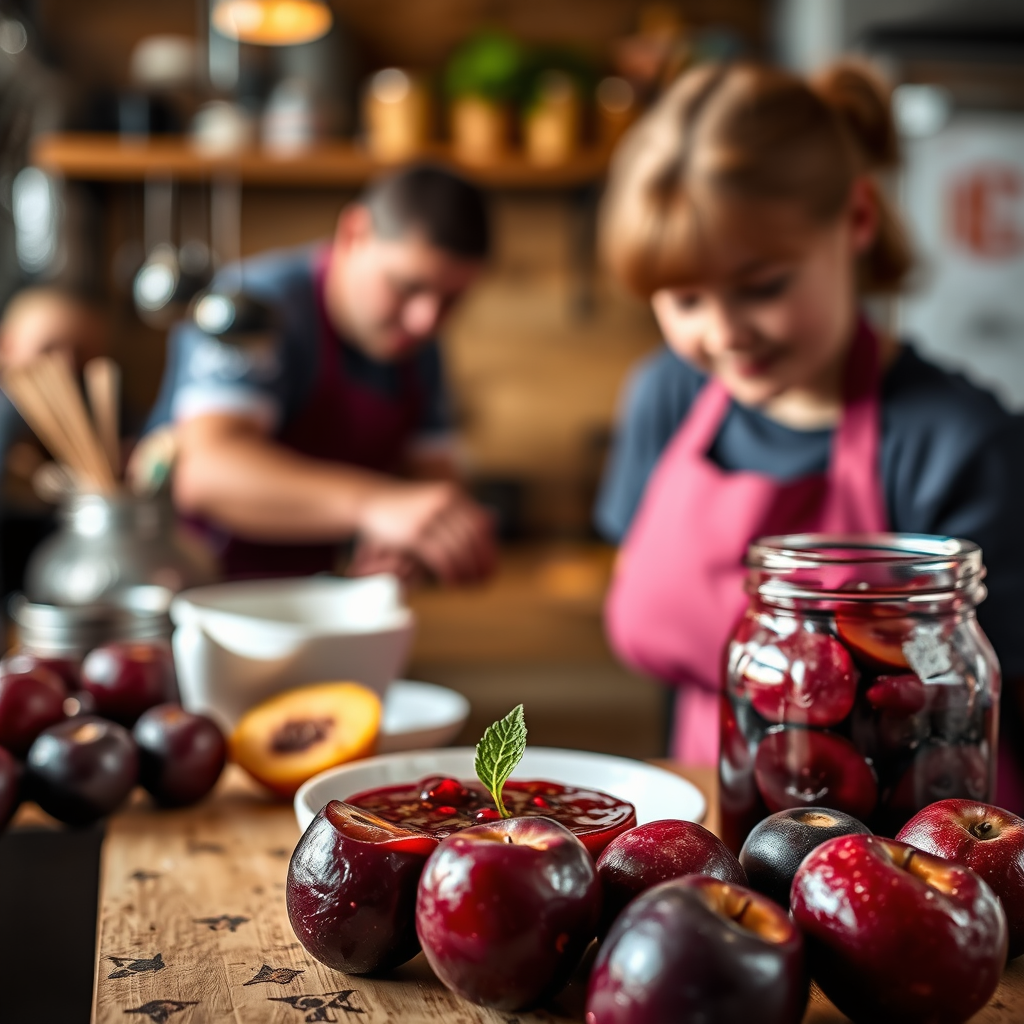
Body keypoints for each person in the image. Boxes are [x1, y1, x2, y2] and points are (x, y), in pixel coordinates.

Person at [594, 61, 1024, 802]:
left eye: (762, 287)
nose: (723, 333)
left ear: (857, 219)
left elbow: (970, 688)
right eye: (686, 298)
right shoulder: (666, 397)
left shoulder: (959, 443)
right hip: (718, 816)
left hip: (913, 830)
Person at [147, 164, 496, 585]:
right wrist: (376, 505)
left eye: (452, 300)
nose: (426, 320)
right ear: (354, 233)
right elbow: (206, 471)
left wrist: (414, 544)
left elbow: (432, 476)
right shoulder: (254, 307)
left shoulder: (417, 343)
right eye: (406, 286)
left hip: (319, 593)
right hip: (203, 589)